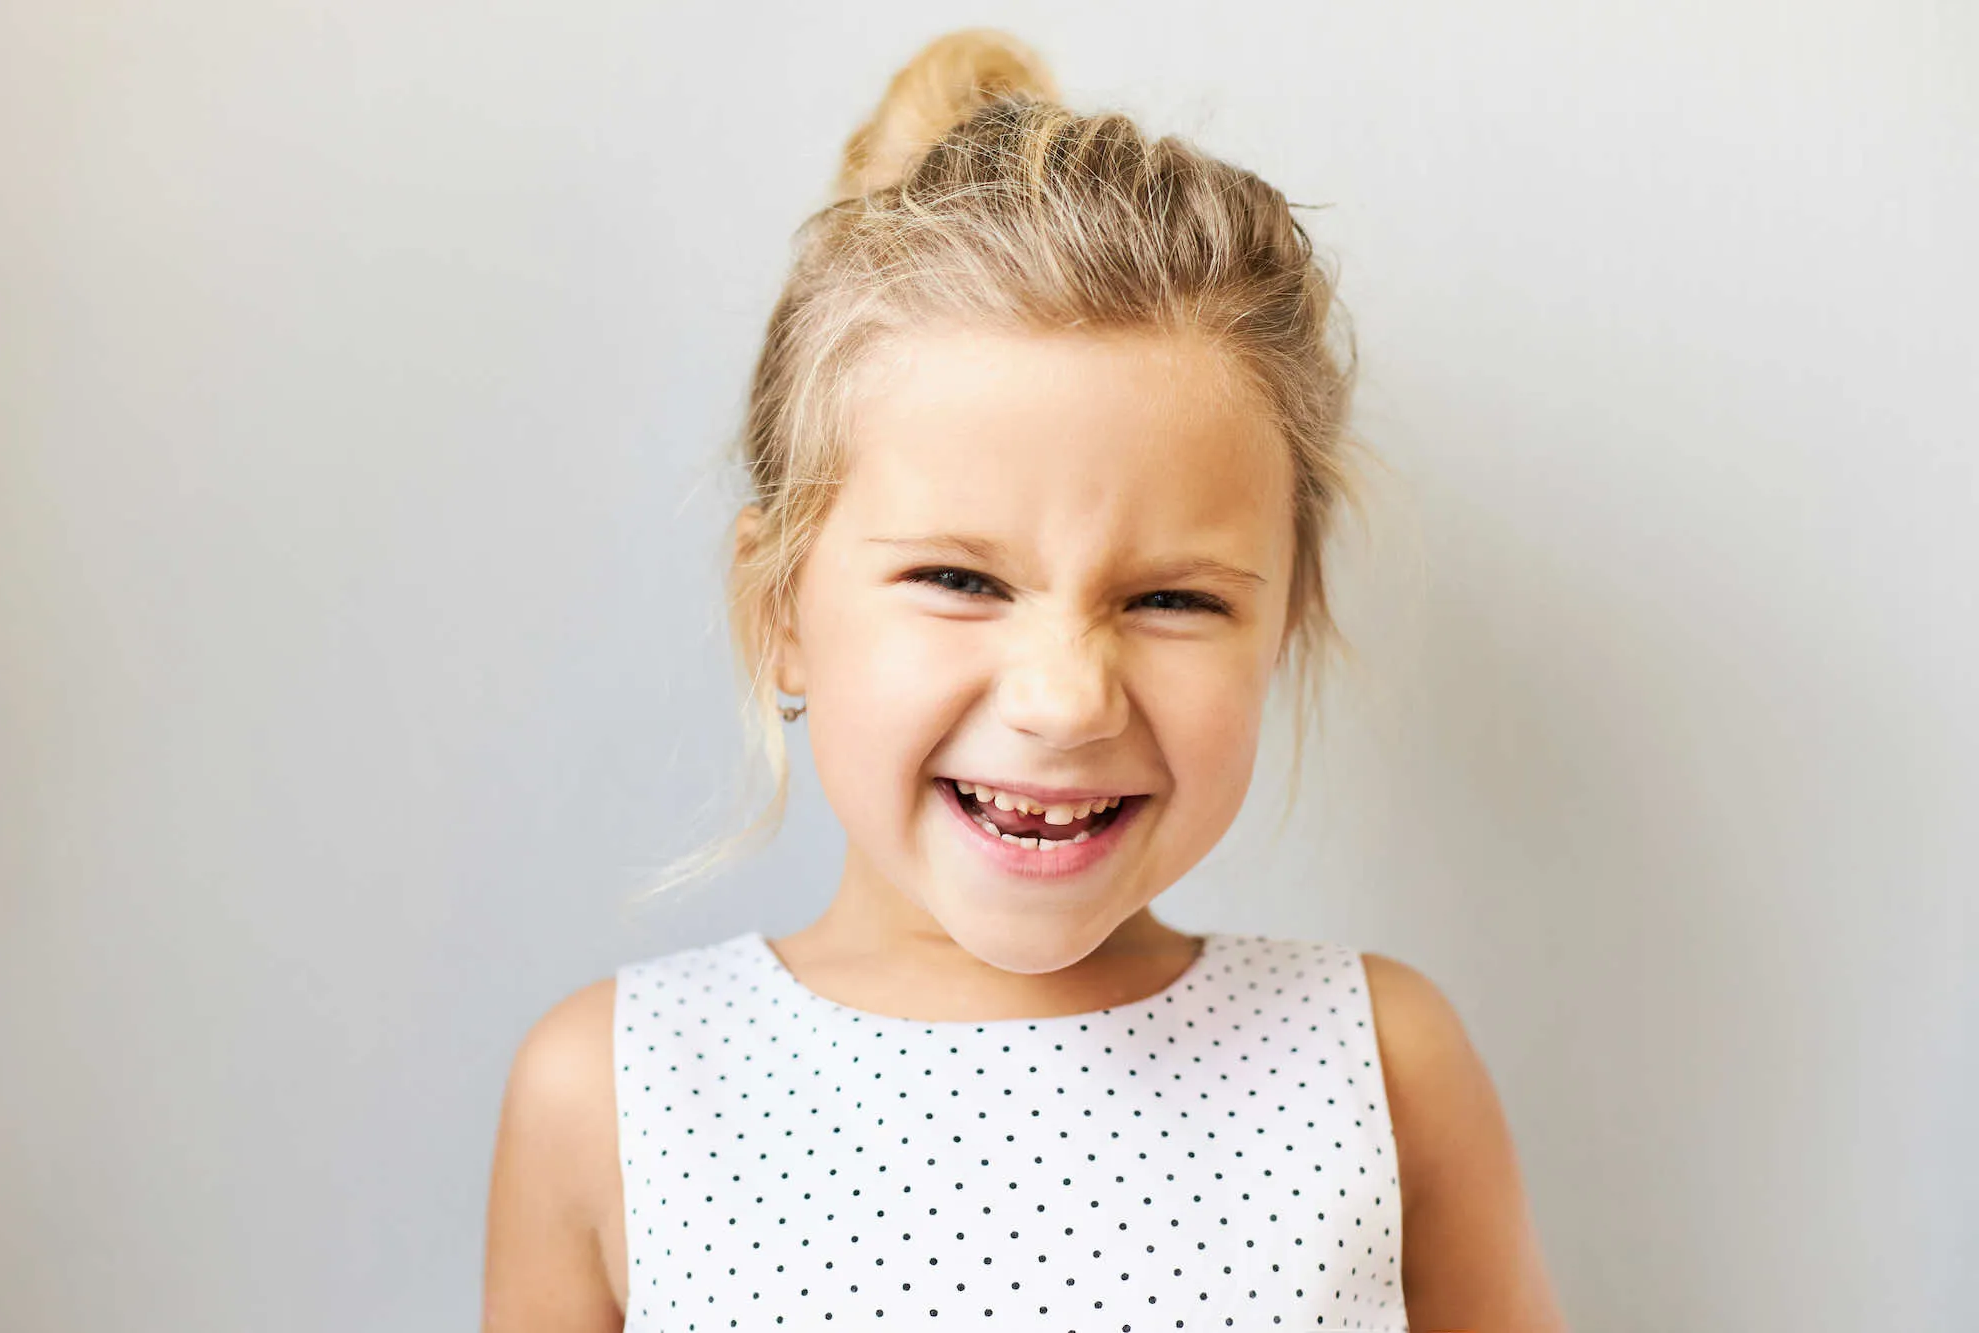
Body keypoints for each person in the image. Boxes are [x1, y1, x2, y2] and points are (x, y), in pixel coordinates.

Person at [483, 29, 1567, 1333]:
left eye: (1173, 599)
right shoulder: (612, 1091)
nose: (1065, 701)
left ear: (1281, 625)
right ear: (777, 609)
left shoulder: (1379, 1065)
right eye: (960, 580)